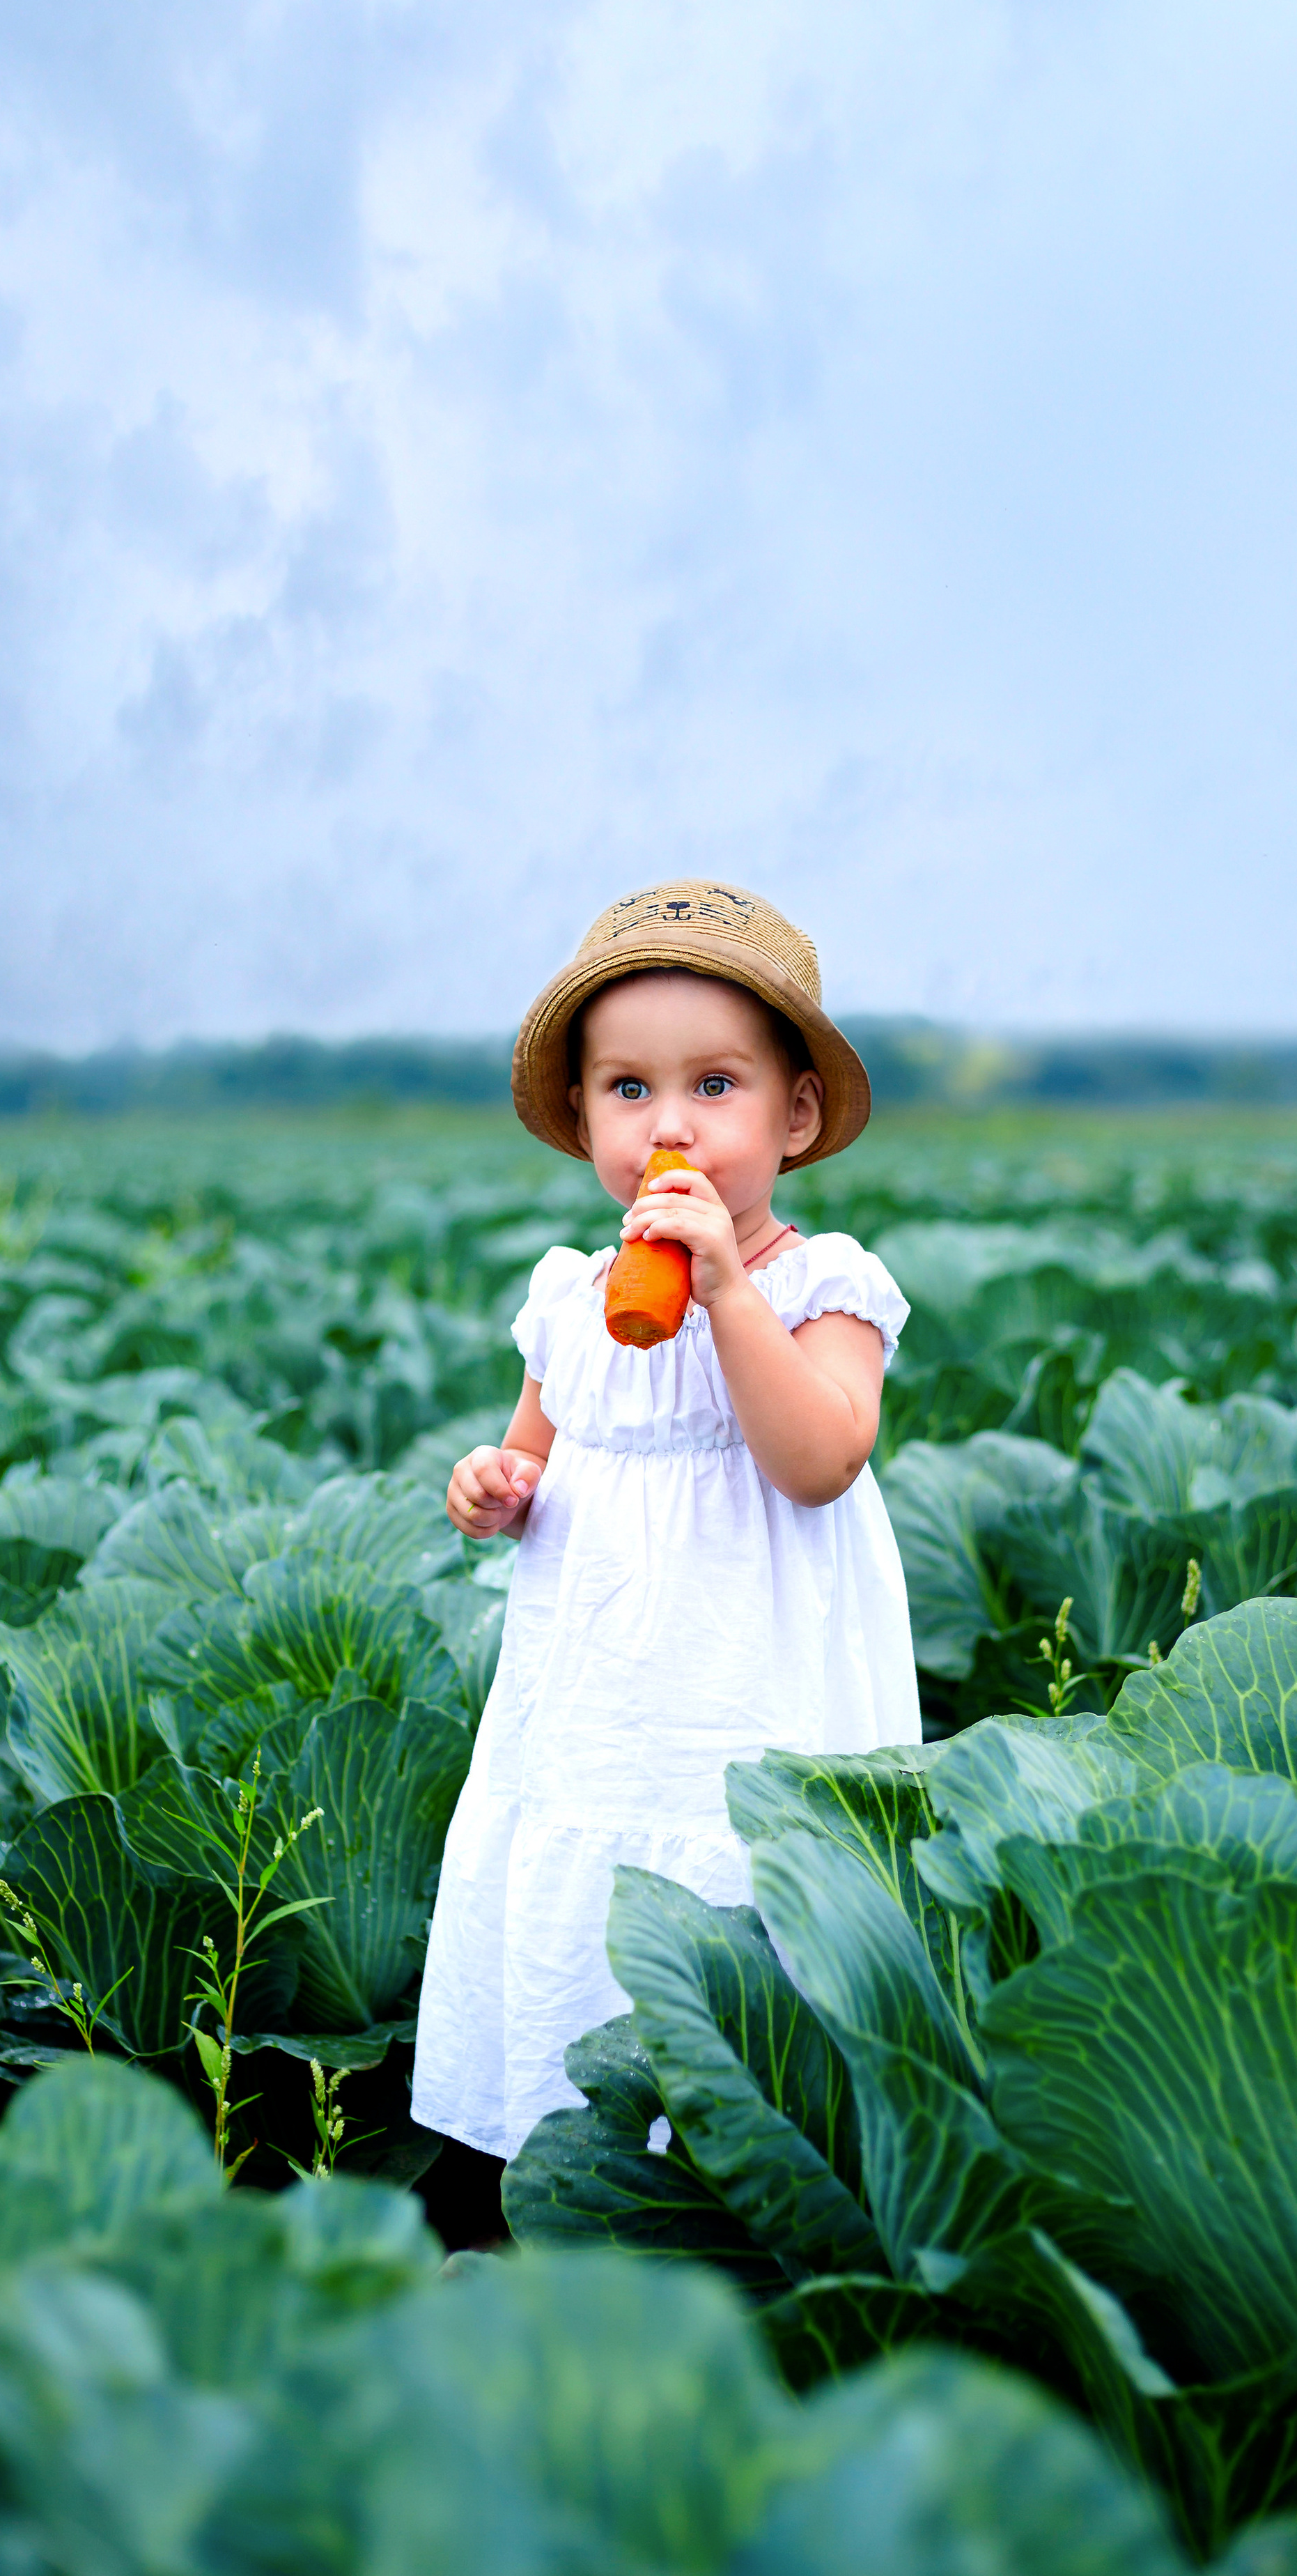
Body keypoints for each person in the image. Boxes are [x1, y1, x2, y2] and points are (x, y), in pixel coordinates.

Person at [410, 880, 919, 2182]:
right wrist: (494, 1486)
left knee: (737, 1900)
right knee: (587, 1899)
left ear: (795, 1117)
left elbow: (819, 1461)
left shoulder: (823, 1287)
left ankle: (753, 2162)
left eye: (716, 1086)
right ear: (584, 1118)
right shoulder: (572, 1298)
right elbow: (534, 1453)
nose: (670, 1126)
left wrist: (729, 1290)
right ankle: (585, 2166)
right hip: (598, 1698)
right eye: (628, 1089)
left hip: (749, 1690)